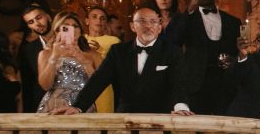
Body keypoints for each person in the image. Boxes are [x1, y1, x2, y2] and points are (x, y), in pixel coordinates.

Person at [52, 7, 186, 115]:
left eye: (153, 22)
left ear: (159, 27)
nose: (148, 26)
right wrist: (78, 106)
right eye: (142, 21)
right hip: (126, 121)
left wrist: (180, 106)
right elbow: (99, 80)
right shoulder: (118, 51)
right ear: (133, 26)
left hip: (160, 119)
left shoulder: (173, 52)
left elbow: (179, 83)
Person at [167, 0, 242, 115]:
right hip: (195, 84)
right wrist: (191, 7)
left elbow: (238, 51)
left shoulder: (233, 22)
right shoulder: (186, 18)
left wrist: (233, 60)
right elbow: (174, 40)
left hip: (223, 85)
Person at [36, 11, 102, 112]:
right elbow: (45, 86)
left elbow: (99, 85)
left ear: (81, 31)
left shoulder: (93, 54)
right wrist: (54, 57)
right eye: (66, 27)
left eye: (75, 26)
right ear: (58, 30)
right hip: (53, 106)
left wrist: (84, 61)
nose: (72, 30)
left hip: (83, 106)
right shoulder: (45, 54)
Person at [16, 1, 53, 111]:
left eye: (39, 17)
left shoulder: (68, 42)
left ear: (48, 17)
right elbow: (28, 85)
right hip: (41, 107)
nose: (37, 24)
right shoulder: (27, 50)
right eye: (31, 22)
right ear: (29, 26)